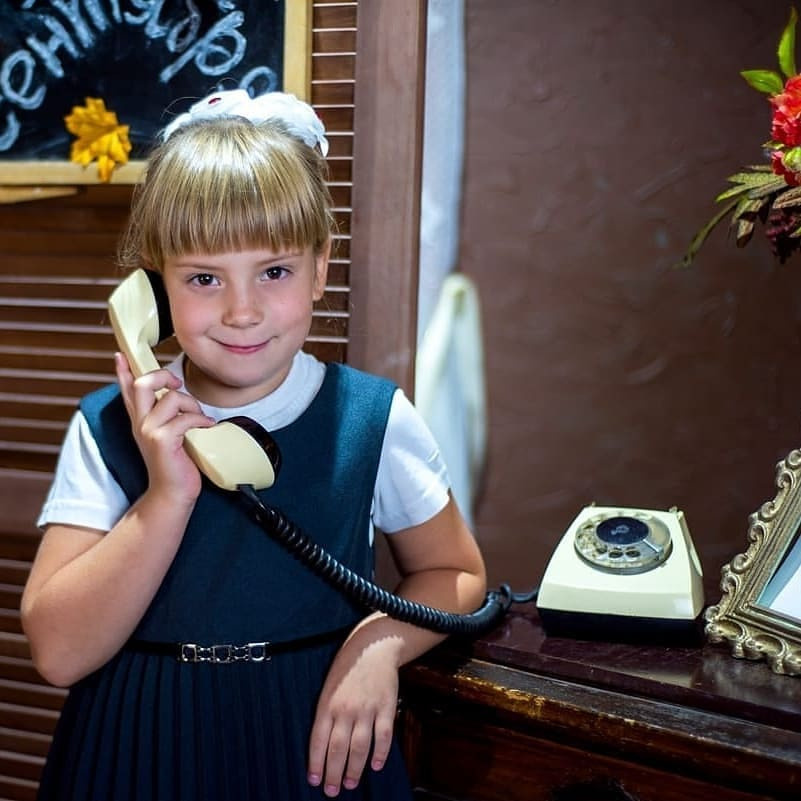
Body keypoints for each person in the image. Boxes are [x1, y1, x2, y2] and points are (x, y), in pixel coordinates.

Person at [20, 89, 488, 801]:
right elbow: (58, 653)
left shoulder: (372, 419)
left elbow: (455, 572)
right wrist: (167, 495)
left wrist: (376, 646)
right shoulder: (107, 426)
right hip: (138, 739)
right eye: (204, 278)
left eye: (274, 271)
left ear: (320, 268)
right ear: (154, 290)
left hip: (312, 737)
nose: (242, 311)